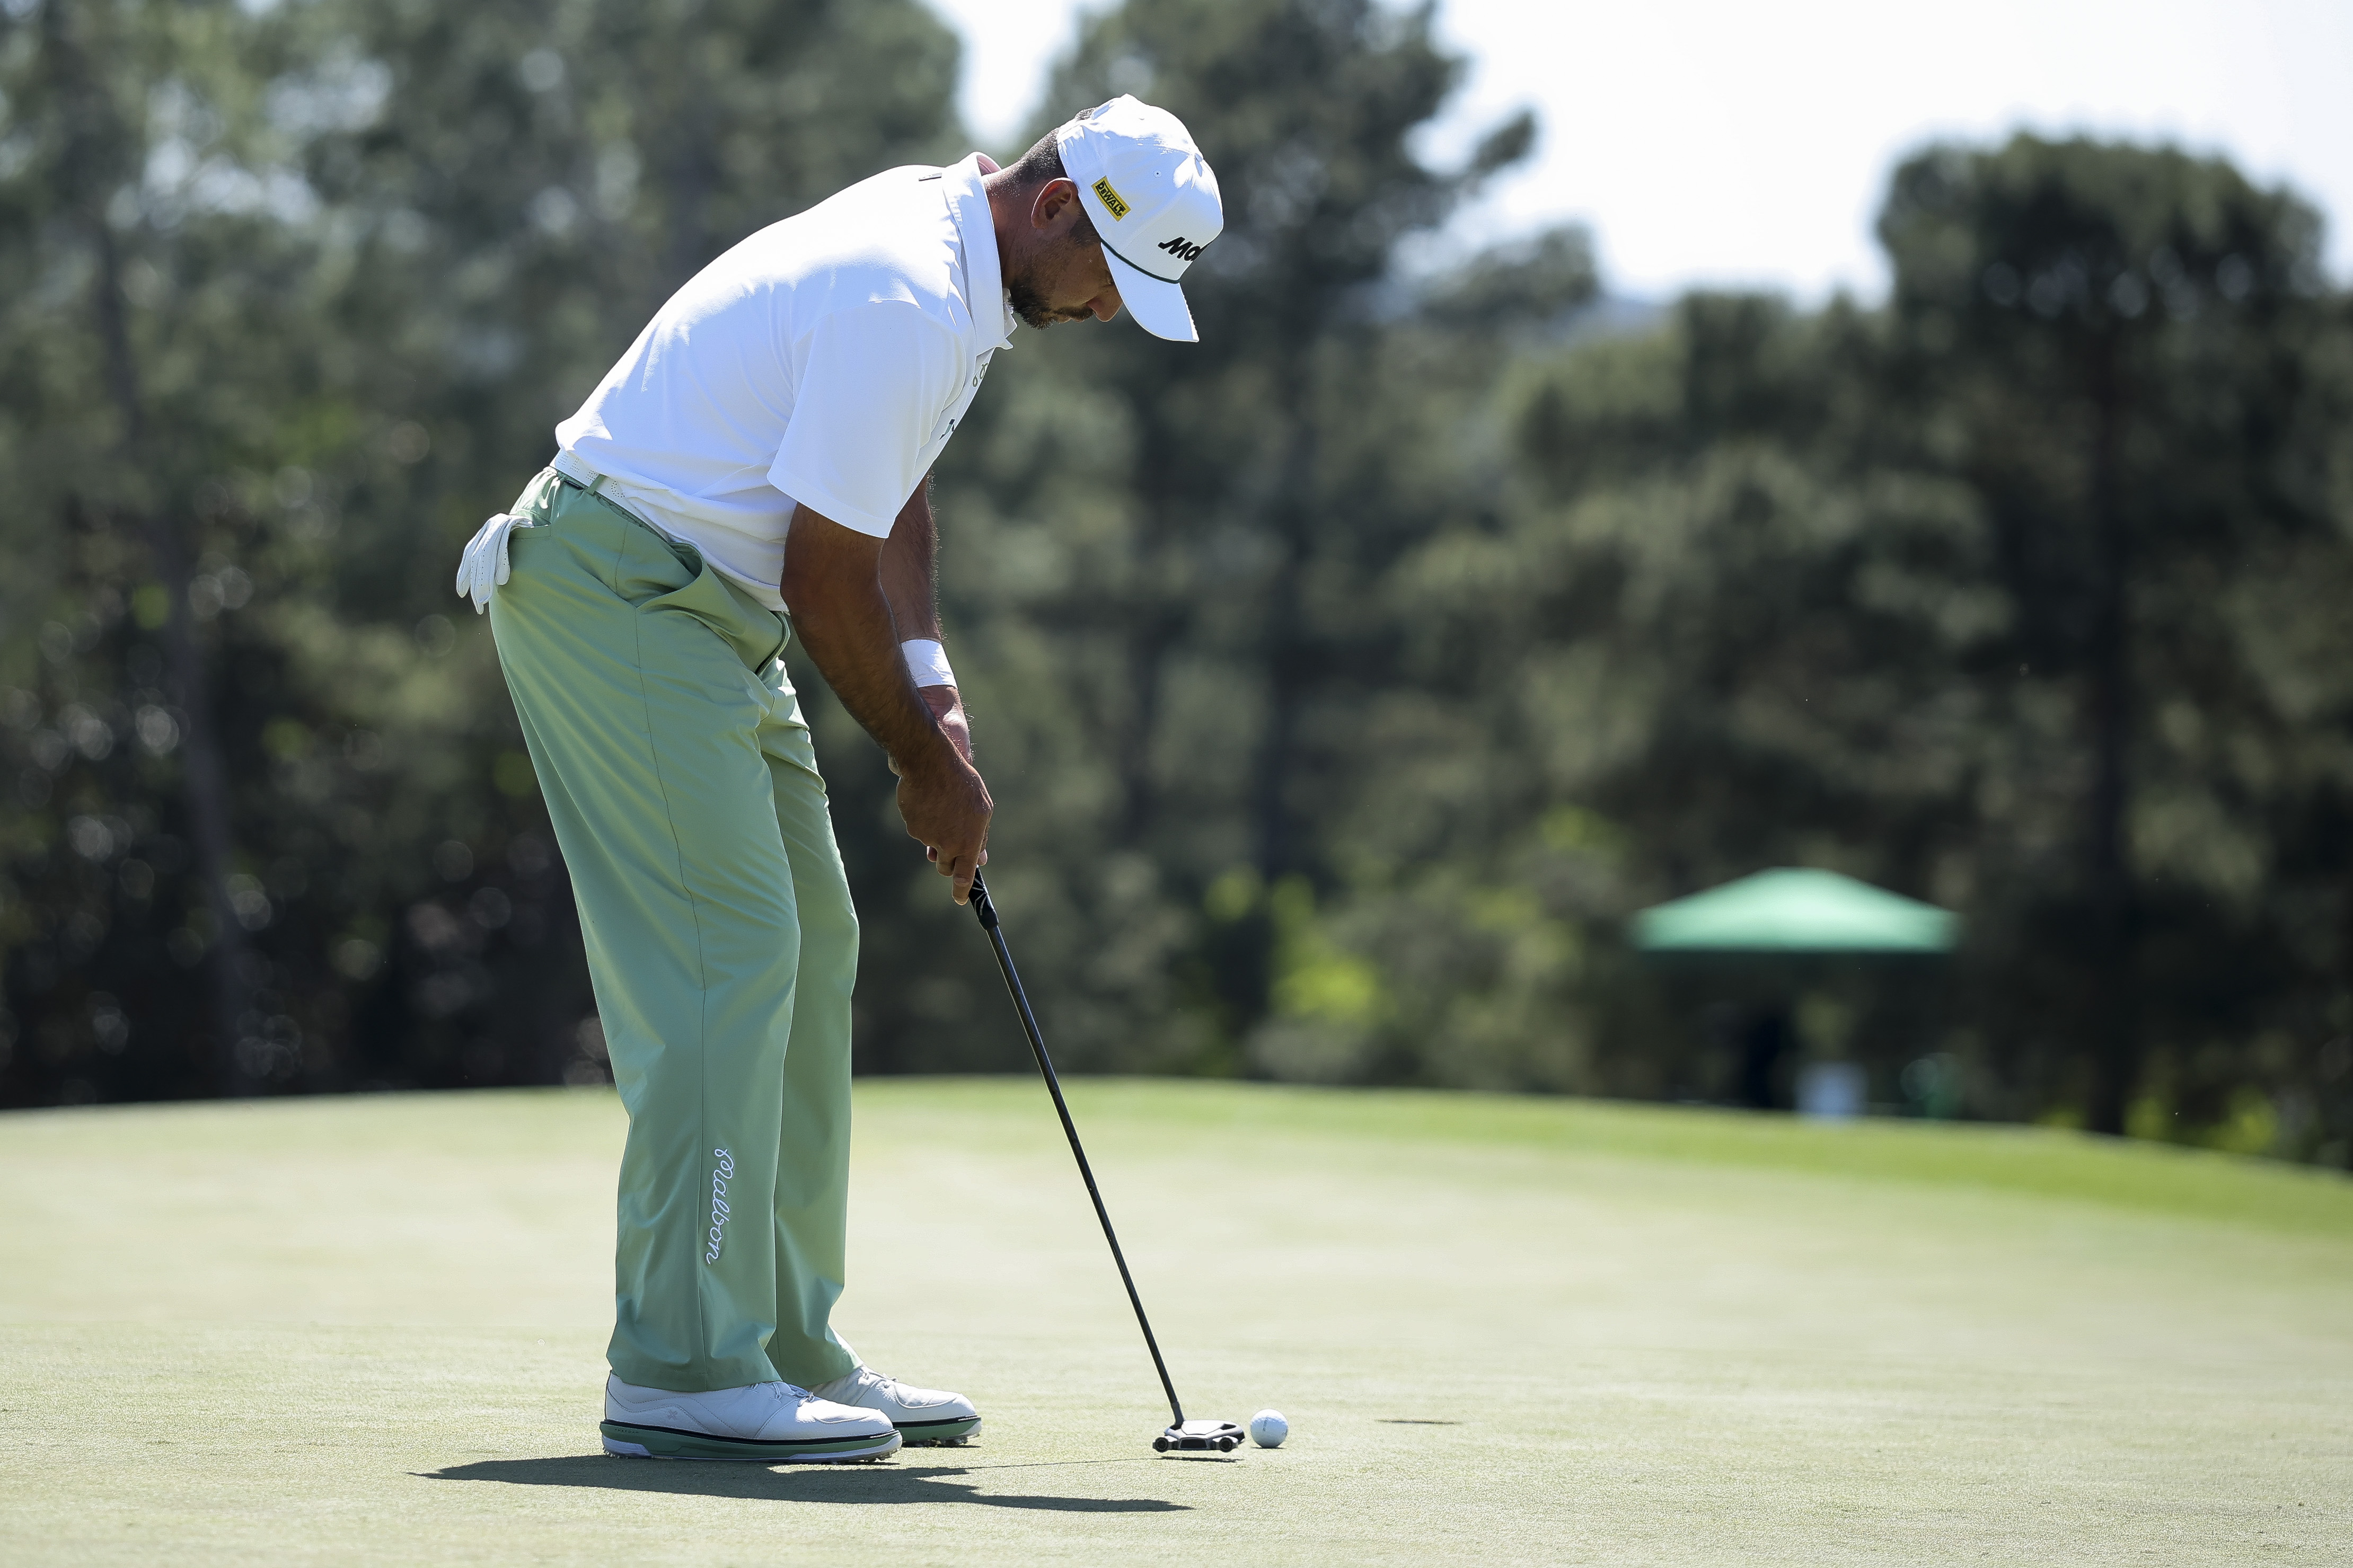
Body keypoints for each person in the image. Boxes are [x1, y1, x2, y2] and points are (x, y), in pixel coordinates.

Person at [452, 96, 1223, 1463]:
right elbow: (824, 576)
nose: (1111, 313)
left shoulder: (963, 261)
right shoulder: (907, 292)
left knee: (811, 945)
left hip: (705, 610)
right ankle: (684, 1365)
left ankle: (785, 1343)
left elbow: (886, 488)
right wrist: (927, 773)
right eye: (1114, 277)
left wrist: (936, 692)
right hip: (620, 589)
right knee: (729, 955)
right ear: (1056, 208)